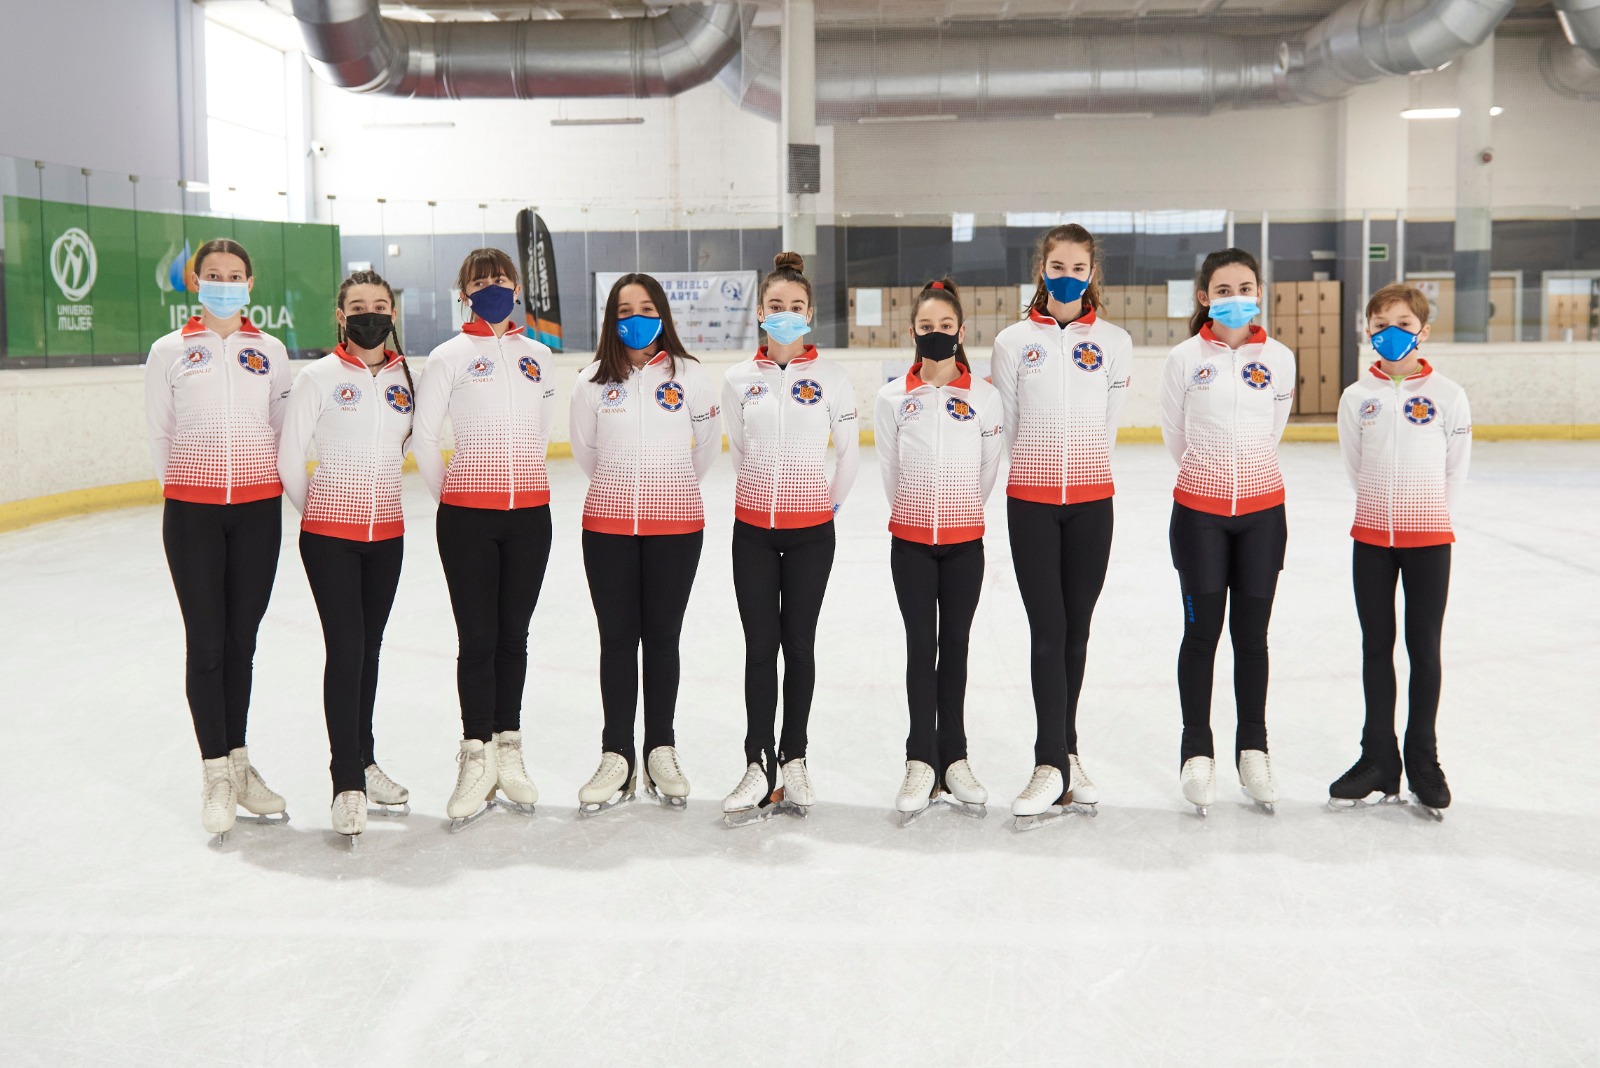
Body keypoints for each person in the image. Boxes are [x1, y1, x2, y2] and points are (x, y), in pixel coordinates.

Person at [144, 237, 291, 841]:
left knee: (241, 642)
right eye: (213, 274)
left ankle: (237, 758)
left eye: (235, 274)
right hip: (193, 515)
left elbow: (281, 431)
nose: (224, 282)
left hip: (258, 514)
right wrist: (188, 492)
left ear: (250, 284)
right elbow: (160, 435)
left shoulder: (272, 351)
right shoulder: (169, 351)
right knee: (205, 643)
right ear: (195, 283)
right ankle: (214, 772)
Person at [990, 223, 1132, 828]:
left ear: (1092, 272)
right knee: (1047, 630)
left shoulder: (1116, 342)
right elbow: (1011, 424)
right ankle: (1048, 762)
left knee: (1077, 633)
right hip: (1033, 504)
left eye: (1078, 267)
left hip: (1092, 505)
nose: (1067, 275)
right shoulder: (1013, 341)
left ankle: (1067, 755)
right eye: (1057, 265)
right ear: (1040, 269)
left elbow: (1110, 424)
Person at [414, 249, 556, 829]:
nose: (491, 286)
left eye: (500, 278)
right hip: (466, 517)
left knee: (514, 636)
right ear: (463, 291)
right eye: (480, 280)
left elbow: (544, 432)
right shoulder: (448, 357)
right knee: (477, 638)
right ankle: (476, 753)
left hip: (529, 516)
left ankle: (509, 747)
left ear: (517, 288)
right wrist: (453, 498)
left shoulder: (540, 357)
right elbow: (425, 440)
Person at [570, 273, 720, 814]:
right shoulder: (590, 381)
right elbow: (587, 454)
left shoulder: (692, 378)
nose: (636, 316)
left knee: (662, 640)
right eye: (625, 308)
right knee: (616, 642)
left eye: (647, 306)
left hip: (676, 530)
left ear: (664, 315)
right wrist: (622, 491)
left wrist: (668, 490)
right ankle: (617, 754)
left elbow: (704, 451)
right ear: (612, 319)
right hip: (607, 530)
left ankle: (660, 747)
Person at [718, 252, 860, 825]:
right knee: (760, 647)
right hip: (752, 533)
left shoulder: (833, 379)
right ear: (759, 313)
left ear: (810, 315)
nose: (784, 315)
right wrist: (763, 500)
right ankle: (757, 763)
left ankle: (794, 755)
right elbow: (739, 450)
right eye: (775, 306)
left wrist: (822, 508)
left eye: (795, 307)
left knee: (798, 645)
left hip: (810, 536)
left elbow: (847, 456)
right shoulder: (737, 380)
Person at [277, 270, 415, 843]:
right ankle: (345, 784)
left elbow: (406, 443)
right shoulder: (319, 377)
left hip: (387, 534)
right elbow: (289, 456)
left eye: (379, 305)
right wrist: (325, 513)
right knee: (348, 647)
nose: (369, 314)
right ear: (340, 315)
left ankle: (365, 761)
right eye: (358, 305)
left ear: (392, 313)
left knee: (372, 650)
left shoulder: (408, 376)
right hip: (330, 536)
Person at [1158, 248, 1295, 816]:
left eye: (1245, 286)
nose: (1236, 297)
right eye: (1224, 288)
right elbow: (1174, 433)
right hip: (1200, 516)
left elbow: (1275, 426)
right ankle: (1197, 751)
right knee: (1201, 635)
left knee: (1253, 638)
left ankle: (1253, 749)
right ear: (1204, 297)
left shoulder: (1280, 358)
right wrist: (1211, 480)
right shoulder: (1185, 358)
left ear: (1259, 291)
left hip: (1263, 516)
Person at [1330, 283, 1471, 820]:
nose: (1392, 332)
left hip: (1429, 540)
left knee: (1423, 649)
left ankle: (1423, 760)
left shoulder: (1448, 395)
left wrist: (1427, 516)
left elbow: (1455, 471)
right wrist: (1380, 512)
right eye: (1381, 323)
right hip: (1371, 539)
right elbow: (1354, 466)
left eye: (1404, 323)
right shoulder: (1355, 397)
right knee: (1375, 647)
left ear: (1423, 331)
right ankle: (1377, 759)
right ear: (1368, 331)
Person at [874, 279, 1004, 825]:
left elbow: (987, 471)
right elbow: (889, 472)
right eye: (925, 328)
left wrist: (958, 518)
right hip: (910, 546)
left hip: (963, 546)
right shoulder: (891, 398)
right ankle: (919, 759)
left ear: (960, 332)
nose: (935, 335)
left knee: (955, 646)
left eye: (944, 328)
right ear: (913, 333)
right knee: (919, 646)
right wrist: (916, 519)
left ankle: (954, 758)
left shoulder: (984, 397)